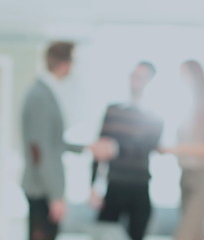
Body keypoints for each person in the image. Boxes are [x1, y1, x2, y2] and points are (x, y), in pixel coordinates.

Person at [21, 41, 115, 240]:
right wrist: (55, 195)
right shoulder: (40, 96)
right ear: (65, 64)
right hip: (42, 189)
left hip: (43, 186)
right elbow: (42, 149)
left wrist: (88, 147)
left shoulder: (44, 92)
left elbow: (53, 142)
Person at [90, 61, 163, 240]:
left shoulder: (155, 117)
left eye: (141, 77)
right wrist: (92, 186)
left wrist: (116, 147)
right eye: (133, 75)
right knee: (102, 235)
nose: (136, 80)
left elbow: (145, 147)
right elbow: (100, 149)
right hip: (114, 186)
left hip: (139, 187)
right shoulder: (113, 111)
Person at [159, 60, 204, 240]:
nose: (182, 79)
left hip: (202, 179)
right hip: (185, 177)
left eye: (185, 74)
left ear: (197, 77)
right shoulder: (189, 109)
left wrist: (174, 150)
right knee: (195, 235)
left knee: (183, 236)